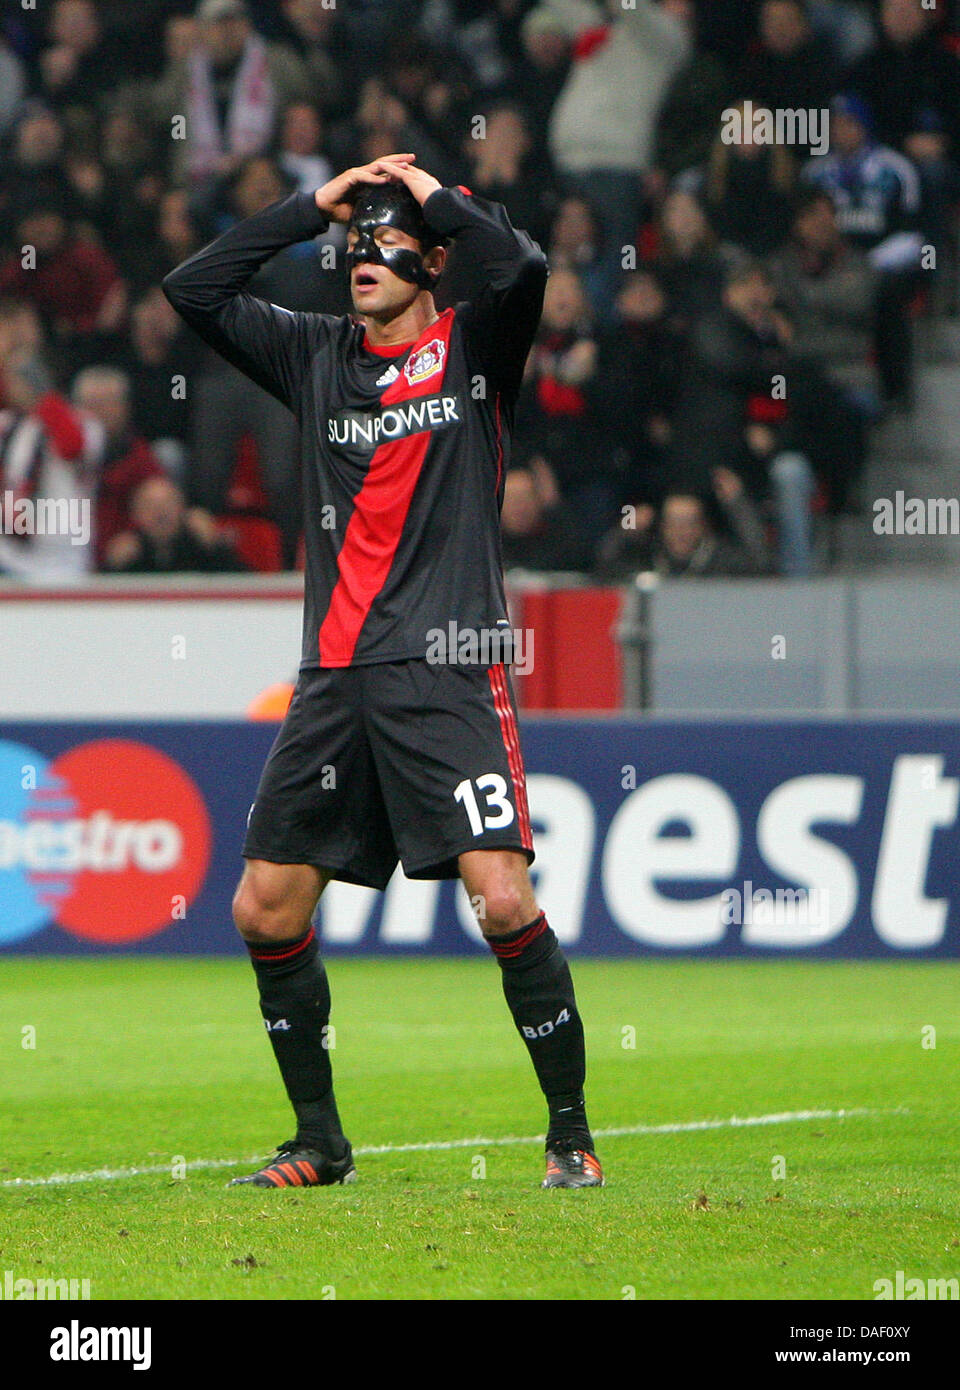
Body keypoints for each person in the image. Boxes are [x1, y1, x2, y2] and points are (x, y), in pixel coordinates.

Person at [163, 155, 603, 1191]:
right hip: (334, 675)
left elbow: (524, 263)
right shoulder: (314, 355)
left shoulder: (472, 349)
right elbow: (195, 288)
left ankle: (571, 1134)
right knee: (263, 907)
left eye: (385, 235)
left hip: (447, 667)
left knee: (500, 896)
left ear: (435, 258)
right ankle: (319, 1141)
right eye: (350, 236)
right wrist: (301, 206)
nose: (360, 251)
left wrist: (433, 191)